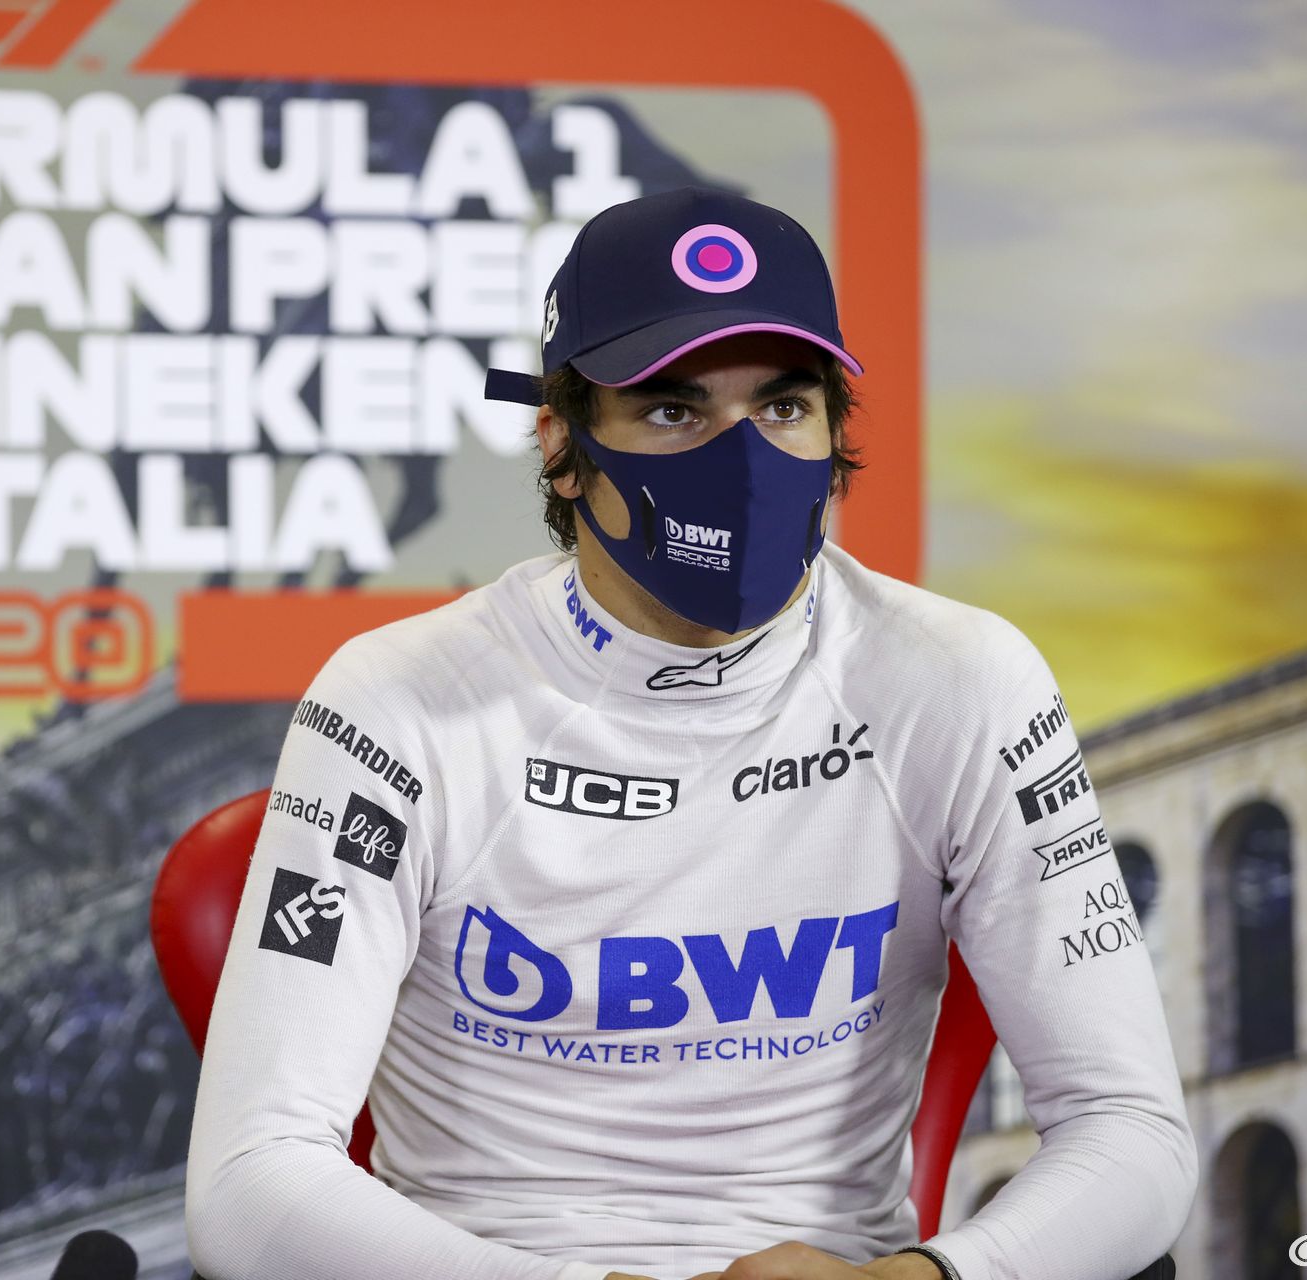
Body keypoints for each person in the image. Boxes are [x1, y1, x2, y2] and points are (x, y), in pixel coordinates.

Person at [184, 187, 1197, 1280]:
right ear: (561, 445)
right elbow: (250, 1181)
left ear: (836, 432)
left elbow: (1132, 1131)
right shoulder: (396, 698)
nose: (744, 458)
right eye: (673, 410)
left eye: (784, 406)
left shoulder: (960, 681)